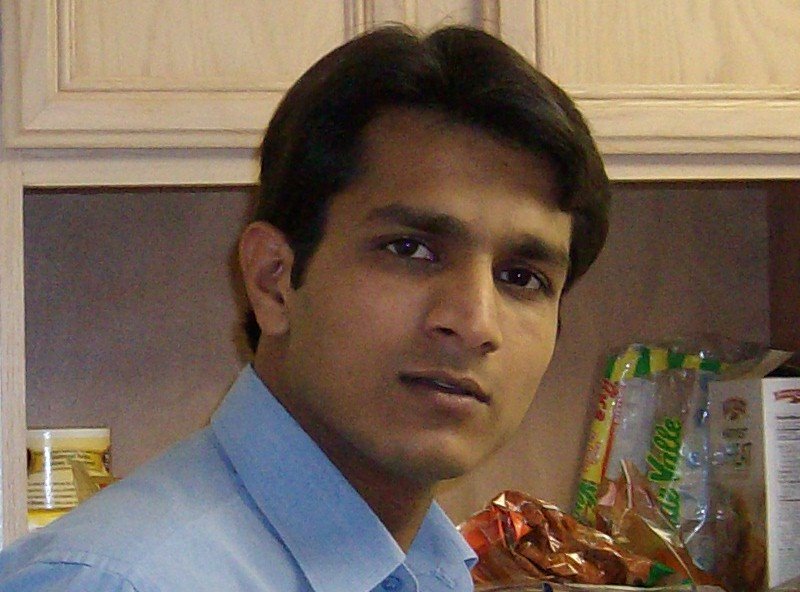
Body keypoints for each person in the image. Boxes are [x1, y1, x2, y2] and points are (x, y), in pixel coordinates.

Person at [0, 24, 610, 592]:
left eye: (522, 278)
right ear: (273, 281)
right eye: (409, 249)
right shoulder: (119, 581)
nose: (475, 323)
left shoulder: (428, 567)